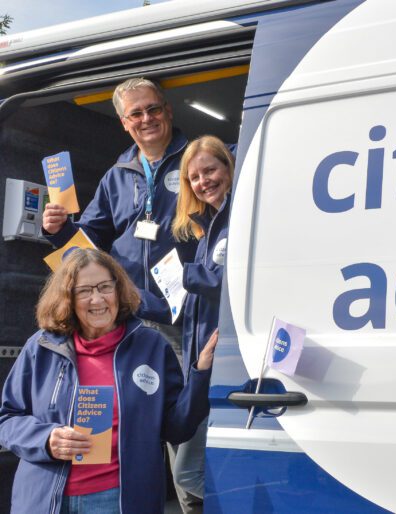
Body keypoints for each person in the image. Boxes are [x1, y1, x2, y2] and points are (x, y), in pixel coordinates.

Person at [0, 248, 217, 514]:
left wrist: (201, 374)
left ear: (119, 289)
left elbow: (176, 429)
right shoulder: (42, 346)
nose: (97, 299)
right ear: (67, 298)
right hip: (44, 500)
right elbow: (7, 419)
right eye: (84, 291)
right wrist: (46, 439)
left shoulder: (152, 347)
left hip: (118, 501)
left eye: (105, 287)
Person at [42, 76, 197, 331]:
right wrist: (59, 229)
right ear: (125, 123)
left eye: (153, 109)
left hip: (185, 314)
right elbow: (91, 237)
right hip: (128, 312)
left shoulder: (198, 162)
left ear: (168, 111)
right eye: (135, 114)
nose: (146, 119)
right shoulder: (116, 175)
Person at [169, 135, 234, 510]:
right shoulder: (207, 225)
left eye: (210, 170)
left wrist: (188, 275)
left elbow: (237, 280)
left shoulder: (238, 215)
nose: (203, 181)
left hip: (224, 359)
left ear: (228, 167)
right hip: (204, 362)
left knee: (187, 472)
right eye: (194, 177)